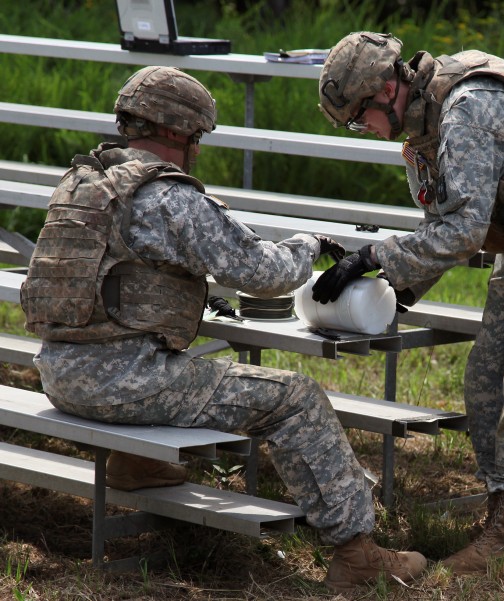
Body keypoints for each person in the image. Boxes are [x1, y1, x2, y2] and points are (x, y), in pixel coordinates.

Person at [20, 65, 427, 592]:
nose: (197, 147)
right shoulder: (169, 197)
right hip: (122, 384)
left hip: (60, 373)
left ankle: (136, 464)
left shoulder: (81, 182)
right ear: (177, 132)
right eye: (195, 137)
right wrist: (308, 245)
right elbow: (264, 274)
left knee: (176, 363)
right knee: (296, 398)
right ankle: (357, 553)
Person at [314, 32, 504, 575]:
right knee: (485, 379)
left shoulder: (470, 109)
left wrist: (373, 256)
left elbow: (462, 231)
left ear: (389, 89)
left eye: (362, 119)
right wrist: (393, 293)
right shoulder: (420, 129)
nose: (367, 132)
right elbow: (442, 222)